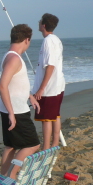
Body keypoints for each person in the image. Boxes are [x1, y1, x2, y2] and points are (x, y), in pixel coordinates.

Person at [0, 24, 40, 180]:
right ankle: (11, 175)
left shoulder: (10, 56)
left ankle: (3, 177)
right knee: (32, 145)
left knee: (11, 146)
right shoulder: (14, 58)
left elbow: (14, 84)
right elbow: (2, 85)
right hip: (16, 111)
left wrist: (30, 95)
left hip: (11, 109)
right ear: (27, 40)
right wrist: (11, 113)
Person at [32, 13, 65, 150]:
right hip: (57, 85)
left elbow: (50, 66)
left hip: (50, 88)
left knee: (46, 118)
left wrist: (41, 89)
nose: (38, 23)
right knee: (55, 115)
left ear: (44, 25)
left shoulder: (49, 41)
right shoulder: (55, 39)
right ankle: (55, 143)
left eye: (40, 21)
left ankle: (47, 147)